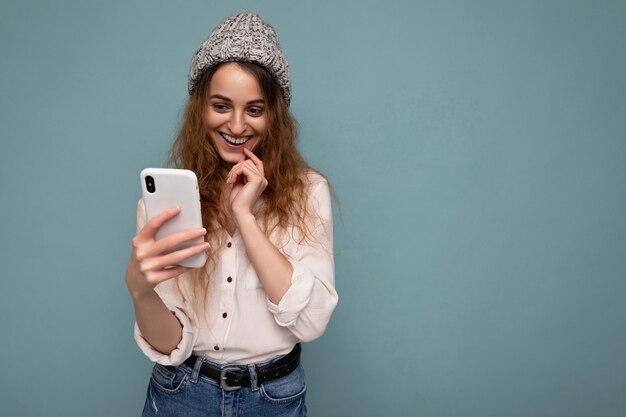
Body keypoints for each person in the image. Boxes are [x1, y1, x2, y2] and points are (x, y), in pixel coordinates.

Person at [125, 12, 338, 417]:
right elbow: (171, 345)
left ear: (273, 115)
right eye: (221, 105)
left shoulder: (309, 192)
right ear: (199, 109)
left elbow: (310, 323)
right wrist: (140, 291)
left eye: (254, 109)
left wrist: (245, 217)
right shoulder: (164, 205)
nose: (237, 125)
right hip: (181, 394)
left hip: (273, 398)